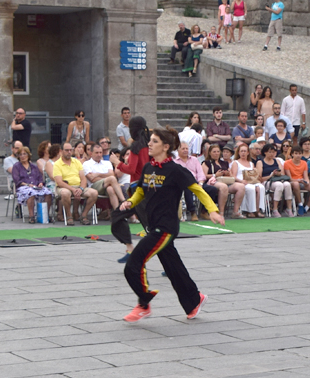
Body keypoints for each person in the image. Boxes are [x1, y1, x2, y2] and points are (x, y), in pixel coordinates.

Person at [114, 127, 220, 323]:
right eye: (150, 141)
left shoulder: (176, 171)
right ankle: (194, 300)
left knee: (133, 264)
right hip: (153, 225)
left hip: (166, 228)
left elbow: (198, 189)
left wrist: (212, 209)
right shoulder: (148, 168)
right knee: (173, 267)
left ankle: (144, 303)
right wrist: (131, 202)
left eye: (154, 141)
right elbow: (141, 192)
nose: (149, 144)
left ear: (166, 147)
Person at [53, 142, 99, 225]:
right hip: (65, 187)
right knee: (65, 193)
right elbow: (59, 182)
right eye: (67, 150)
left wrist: (80, 189)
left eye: (71, 150)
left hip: (78, 186)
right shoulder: (57, 164)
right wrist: (73, 189)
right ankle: (69, 215)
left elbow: (83, 179)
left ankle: (84, 215)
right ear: (61, 151)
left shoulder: (77, 162)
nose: (69, 152)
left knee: (94, 193)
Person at [12, 146, 52, 223]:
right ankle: (31, 216)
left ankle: (45, 215)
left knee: (48, 192)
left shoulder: (34, 166)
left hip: (36, 186)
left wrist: (40, 183)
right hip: (23, 187)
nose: (23, 156)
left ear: (28, 155)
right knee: (31, 192)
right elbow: (17, 180)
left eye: (24, 154)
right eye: (20, 154)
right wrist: (27, 185)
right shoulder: (16, 166)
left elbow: (40, 177)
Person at [83, 143, 126, 211]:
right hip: (94, 187)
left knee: (110, 189)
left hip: (106, 186)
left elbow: (112, 174)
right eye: (96, 153)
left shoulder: (107, 163)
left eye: (100, 152)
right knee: (111, 179)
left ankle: (117, 212)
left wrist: (97, 174)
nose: (99, 154)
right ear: (91, 153)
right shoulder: (86, 164)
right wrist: (107, 178)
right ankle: (123, 200)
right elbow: (92, 179)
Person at [256, 143, 292, 217]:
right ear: (265, 152)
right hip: (266, 181)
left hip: (278, 180)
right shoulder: (260, 162)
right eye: (270, 152)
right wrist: (271, 175)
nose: (272, 154)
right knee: (279, 185)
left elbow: (282, 173)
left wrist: (278, 174)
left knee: (287, 185)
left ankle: (289, 208)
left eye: (273, 152)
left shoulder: (277, 161)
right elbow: (259, 178)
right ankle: (275, 209)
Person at [233, 143, 267, 218]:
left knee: (261, 187)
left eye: (245, 151)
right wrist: (241, 181)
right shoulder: (236, 163)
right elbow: (233, 176)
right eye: (241, 151)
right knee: (251, 188)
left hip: (251, 181)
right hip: (241, 181)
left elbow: (254, 175)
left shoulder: (251, 163)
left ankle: (258, 210)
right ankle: (249, 210)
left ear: (248, 152)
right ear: (238, 152)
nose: (243, 153)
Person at [284, 145, 310, 215]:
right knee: (296, 184)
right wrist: (298, 180)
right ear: (292, 154)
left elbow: (306, 176)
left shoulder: (304, 163)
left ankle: (307, 207)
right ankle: (300, 204)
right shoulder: (287, 163)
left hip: (302, 181)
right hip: (293, 182)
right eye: (296, 153)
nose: (298, 155)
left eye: (299, 153)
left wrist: (307, 182)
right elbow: (289, 178)